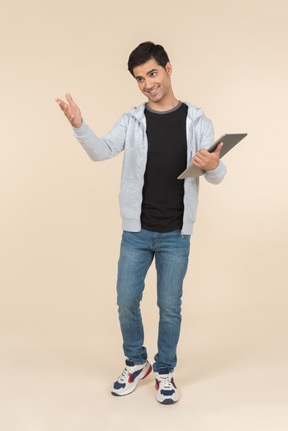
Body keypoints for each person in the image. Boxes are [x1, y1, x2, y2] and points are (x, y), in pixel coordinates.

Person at [56, 41, 226, 405]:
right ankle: (136, 363)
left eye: (152, 73)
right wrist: (80, 126)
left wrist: (215, 165)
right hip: (136, 232)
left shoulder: (196, 119)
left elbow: (214, 171)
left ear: (167, 68)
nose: (148, 83)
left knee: (170, 305)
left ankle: (164, 370)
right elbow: (101, 151)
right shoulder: (132, 120)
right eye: (139, 78)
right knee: (126, 300)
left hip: (176, 234)